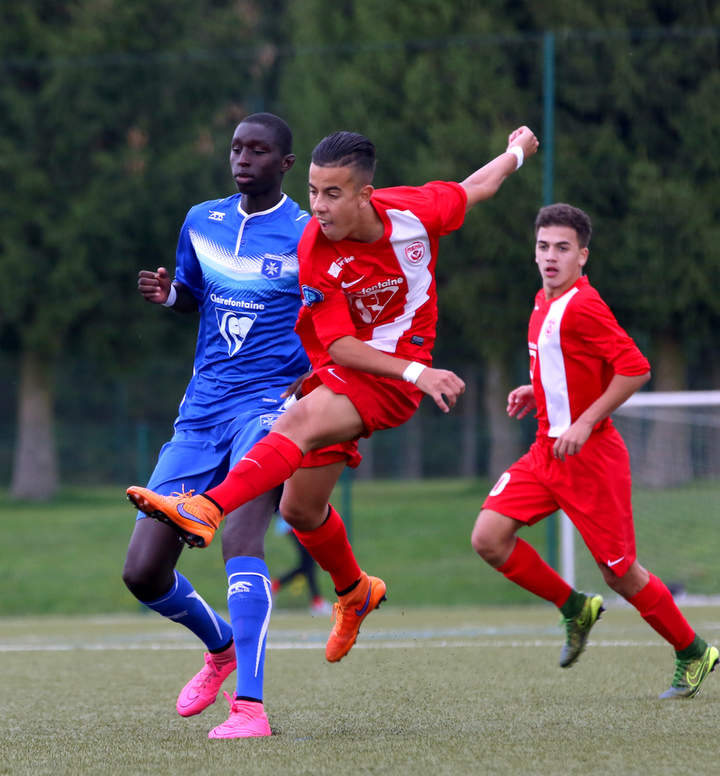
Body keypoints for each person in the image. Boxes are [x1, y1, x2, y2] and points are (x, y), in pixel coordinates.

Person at [129, 125, 541, 664]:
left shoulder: (416, 213)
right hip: (341, 367)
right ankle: (354, 591)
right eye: (313, 192)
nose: (318, 207)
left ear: (366, 194)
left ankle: (206, 507)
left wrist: (515, 152)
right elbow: (341, 347)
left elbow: (477, 186)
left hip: (390, 380)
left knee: (292, 425)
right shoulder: (314, 248)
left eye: (332, 193)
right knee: (302, 510)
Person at [122, 112, 338, 739]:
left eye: (259, 151)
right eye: (237, 149)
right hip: (201, 413)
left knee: (241, 542)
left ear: (286, 165)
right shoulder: (201, 220)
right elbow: (194, 294)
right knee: (143, 572)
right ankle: (219, 647)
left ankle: (250, 708)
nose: (243, 160)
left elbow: (329, 324)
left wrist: (320, 386)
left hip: (269, 410)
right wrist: (169, 296)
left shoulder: (307, 234)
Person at [470, 203, 717, 698]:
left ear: (583, 255)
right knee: (489, 538)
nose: (550, 257)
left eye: (563, 248)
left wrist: (585, 420)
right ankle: (574, 607)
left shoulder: (584, 304)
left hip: (593, 460)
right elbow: (570, 368)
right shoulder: (542, 301)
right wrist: (533, 390)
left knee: (621, 573)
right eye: (543, 247)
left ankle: (693, 651)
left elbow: (635, 367)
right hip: (547, 453)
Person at [270, 514, 332, 617]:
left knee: (306, 564)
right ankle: (317, 602)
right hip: (293, 521)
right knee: (309, 561)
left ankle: (275, 585)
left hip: (296, 521)